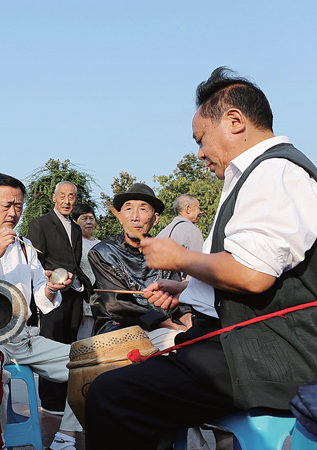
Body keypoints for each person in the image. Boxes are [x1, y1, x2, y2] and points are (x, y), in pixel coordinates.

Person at [85, 67, 317, 450]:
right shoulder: (257, 174)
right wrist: (189, 289)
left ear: (235, 121)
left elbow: (252, 274)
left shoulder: (275, 173)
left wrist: (180, 258)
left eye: (201, 139)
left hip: (269, 357)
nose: (200, 154)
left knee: (111, 395)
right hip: (244, 346)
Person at [0, 173, 83, 450]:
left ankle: (65, 436)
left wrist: (52, 288)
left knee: (88, 363)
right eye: (6, 205)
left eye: (18, 206)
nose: (13, 213)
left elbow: (40, 298)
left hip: (22, 338)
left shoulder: (25, 247)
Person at [87, 183, 186, 350]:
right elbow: (118, 305)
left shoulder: (166, 252)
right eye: (128, 209)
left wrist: (187, 319)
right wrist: (170, 325)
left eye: (143, 209)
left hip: (166, 328)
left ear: (155, 219)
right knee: (176, 340)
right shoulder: (102, 252)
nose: (134, 217)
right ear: (120, 217)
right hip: (119, 330)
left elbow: (179, 299)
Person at [25, 181, 89, 415]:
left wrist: (82, 290)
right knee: (51, 343)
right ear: (54, 197)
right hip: (51, 293)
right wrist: (48, 286)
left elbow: (76, 262)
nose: (67, 201)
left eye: (71, 196)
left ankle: (66, 398)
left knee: (70, 345)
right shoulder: (40, 224)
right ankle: (50, 402)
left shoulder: (76, 229)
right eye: (62, 196)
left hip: (74, 294)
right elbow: (35, 262)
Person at [72, 203, 99, 340]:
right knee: (84, 344)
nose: (89, 222)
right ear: (75, 221)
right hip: (84, 303)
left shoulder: (101, 244)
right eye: (84, 218)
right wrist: (79, 306)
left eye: (91, 218)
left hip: (102, 304)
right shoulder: (74, 244)